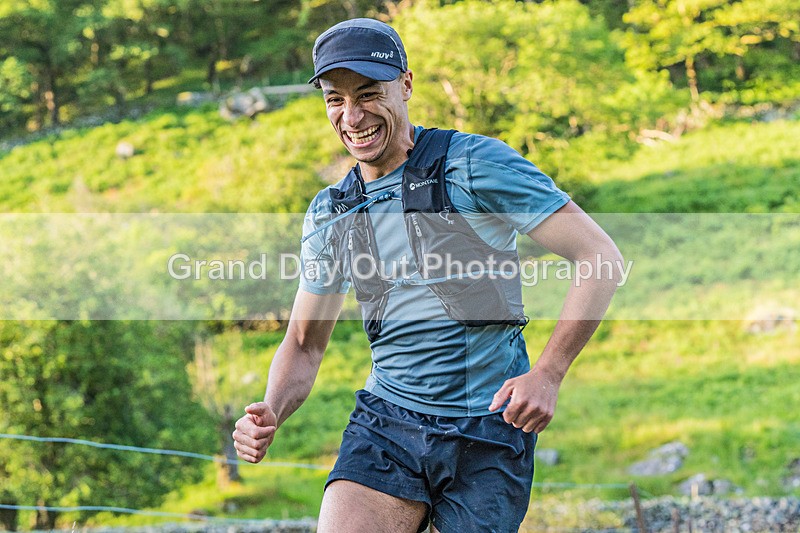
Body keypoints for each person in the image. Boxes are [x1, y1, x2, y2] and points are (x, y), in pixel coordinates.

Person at [232, 18, 623, 533]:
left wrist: (548, 373)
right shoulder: (332, 212)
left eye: (368, 93)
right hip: (387, 423)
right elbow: (304, 345)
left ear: (406, 85)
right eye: (335, 100)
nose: (352, 116)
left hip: (489, 427)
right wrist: (271, 410)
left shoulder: (473, 165)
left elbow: (599, 257)